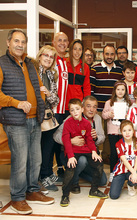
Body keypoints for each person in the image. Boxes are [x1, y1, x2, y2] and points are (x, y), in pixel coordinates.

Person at [0, 29, 54, 215]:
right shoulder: (1, 63)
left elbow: (37, 84)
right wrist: (16, 103)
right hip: (16, 121)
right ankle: (17, 197)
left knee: (35, 159)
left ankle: (32, 191)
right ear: (8, 42)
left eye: (23, 42)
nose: (20, 45)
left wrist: (42, 95)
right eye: (16, 41)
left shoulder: (30, 63)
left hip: (34, 119)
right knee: (20, 161)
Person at [53, 95, 106, 193]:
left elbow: (102, 138)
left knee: (102, 181)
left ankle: (76, 174)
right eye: (88, 106)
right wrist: (70, 140)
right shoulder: (71, 118)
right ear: (82, 107)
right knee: (81, 160)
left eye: (94, 107)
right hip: (72, 155)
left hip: (88, 153)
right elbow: (56, 135)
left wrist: (96, 138)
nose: (91, 109)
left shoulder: (97, 118)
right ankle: (74, 182)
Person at [34, 45, 60, 191]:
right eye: (46, 55)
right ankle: (35, 179)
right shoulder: (32, 72)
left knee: (47, 149)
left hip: (48, 117)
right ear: (40, 56)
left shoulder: (51, 75)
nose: (48, 59)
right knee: (35, 150)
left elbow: (55, 100)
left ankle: (45, 176)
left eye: (51, 57)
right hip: (34, 117)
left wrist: (48, 93)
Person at [102, 80, 132, 182]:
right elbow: (103, 115)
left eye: (123, 89)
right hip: (113, 131)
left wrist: (128, 116)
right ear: (114, 91)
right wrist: (109, 114)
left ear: (126, 91)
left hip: (124, 132)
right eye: (118, 89)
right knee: (114, 153)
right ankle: (112, 172)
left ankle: (124, 171)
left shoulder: (129, 102)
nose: (120, 92)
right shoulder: (109, 102)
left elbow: (132, 115)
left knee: (124, 152)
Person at [52, 31, 69, 178]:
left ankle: (61, 168)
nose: (62, 43)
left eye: (65, 41)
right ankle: (45, 175)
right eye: (59, 40)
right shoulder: (52, 60)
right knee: (49, 144)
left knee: (60, 141)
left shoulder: (65, 61)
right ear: (54, 42)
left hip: (63, 109)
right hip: (52, 110)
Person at [109, 120, 137, 199]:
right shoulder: (118, 144)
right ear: (120, 132)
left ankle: (131, 186)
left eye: (129, 130)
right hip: (121, 171)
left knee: (135, 179)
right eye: (124, 131)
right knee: (113, 196)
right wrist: (134, 173)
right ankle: (121, 182)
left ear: (133, 131)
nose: (127, 133)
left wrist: (134, 172)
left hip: (132, 170)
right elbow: (124, 160)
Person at [90, 45, 123, 111]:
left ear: (115, 55)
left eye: (112, 54)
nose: (109, 57)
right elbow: (91, 91)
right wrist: (92, 108)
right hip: (98, 110)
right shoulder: (95, 69)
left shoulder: (120, 71)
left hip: (114, 110)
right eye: (107, 54)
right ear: (103, 54)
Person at [65, 39, 91, 112]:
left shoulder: (85, 67)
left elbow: (86, 87)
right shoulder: (64, 64)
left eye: (80, 49)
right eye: (75, 49)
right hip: (65, 104)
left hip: (78, 105)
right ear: (71, 50)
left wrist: (86, 103)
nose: (77, 52)